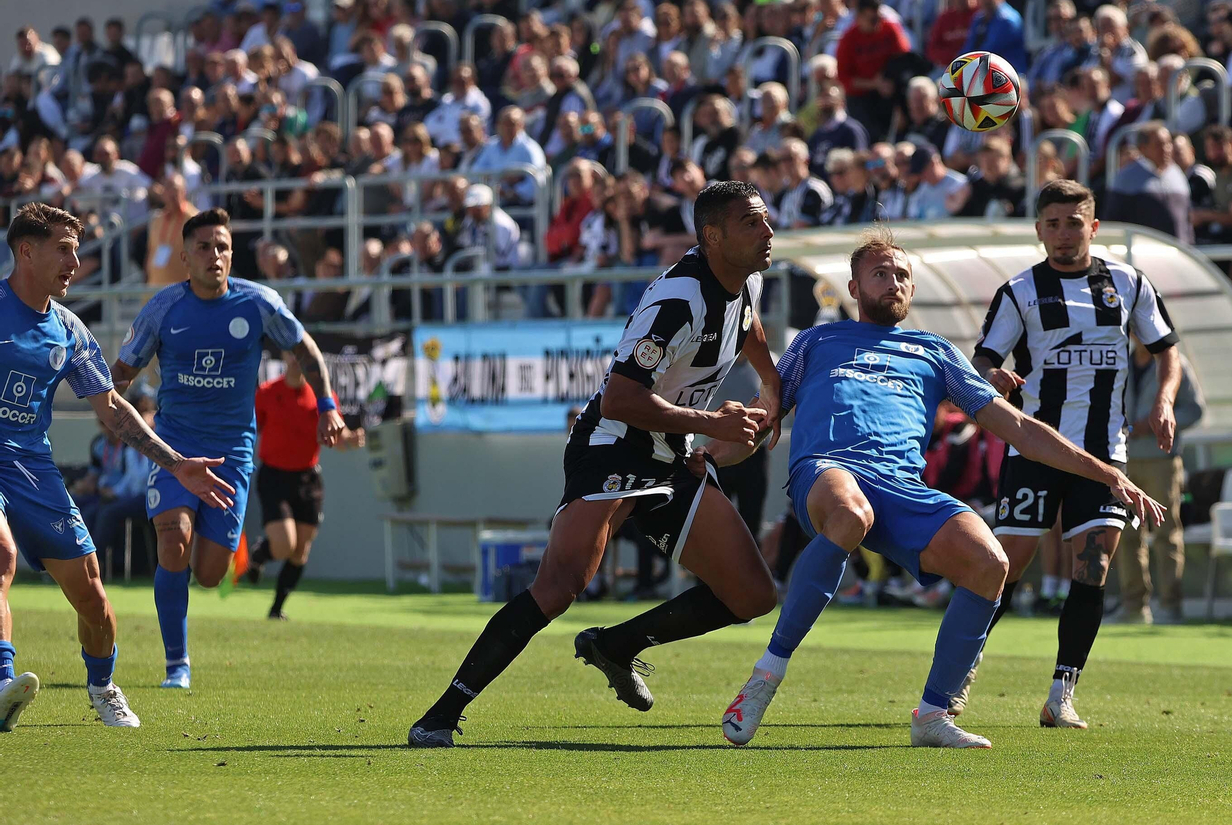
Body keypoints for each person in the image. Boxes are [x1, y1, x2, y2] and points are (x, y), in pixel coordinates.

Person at [717, 226, 1163, 749]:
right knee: (851, 515)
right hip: (827, 468)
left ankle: (931, 716)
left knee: (990, 564)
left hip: (904, 488)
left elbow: (1019, 429)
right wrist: (719, 446)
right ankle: (765, 676)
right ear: (855, 288)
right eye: (880, 274)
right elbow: (764, 415)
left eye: (902, 275)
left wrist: (1107, 472)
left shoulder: (935, 352)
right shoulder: (818, 341)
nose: (893, 282)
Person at [408, 181, 783, 748]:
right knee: (558, 587)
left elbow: (749, 329)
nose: (768, 230)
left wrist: (771, 388)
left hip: (671, 454)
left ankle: (615, 646)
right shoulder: (677, 300)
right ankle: (440, 715)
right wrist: (714, 424)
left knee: (753, 595)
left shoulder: (744, 282)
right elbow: (620, 399)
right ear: (712, 236)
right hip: (614, 447)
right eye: (751, 222)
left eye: (765, 219)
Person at [0, 204, 233, 731]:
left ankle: (103, 686)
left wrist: (177, 465)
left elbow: (112, 408)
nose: (75, 261)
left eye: (77, 249)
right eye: (63, 248)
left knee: (93, 597)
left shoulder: (68, 329)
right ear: (26, 251)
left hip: (31, 465)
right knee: (1, 553)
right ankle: (1, 681)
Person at [962, 178, 1179, 728]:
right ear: (1039, 230)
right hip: (1036, 445)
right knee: (1004, 567)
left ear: (1093, 226)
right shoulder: (1020, 290)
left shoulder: (1128, 283)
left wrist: (1165, 400)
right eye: (1052, 224)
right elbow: (981, 360)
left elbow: (1166, 350)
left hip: (1107, 450)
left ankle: (1062, 693)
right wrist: (996, 378)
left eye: (1073, 223)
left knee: (1094, 565)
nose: (1063, 234)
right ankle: (959, 671)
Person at [110, 209, 344, 688]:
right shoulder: (163, 308)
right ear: (185, 257)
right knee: (173, 540)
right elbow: (118, 375)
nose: (215, 256)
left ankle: (197, 574)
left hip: (232, 451)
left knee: (213, 573)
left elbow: (306, 349)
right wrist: (129, 415)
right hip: (174, 444)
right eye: (204, 247)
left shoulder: (259, 303)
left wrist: (327, 406)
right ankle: (177, 663)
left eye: (222, 247)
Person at [243, 355, 367, 619]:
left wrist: (350, 440)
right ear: (286, 358)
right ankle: (259, 553)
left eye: (305, 356)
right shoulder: (268, 392)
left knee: (301, 550)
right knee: (285, 544)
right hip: (274, 477)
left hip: (308, 479)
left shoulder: (323, 395)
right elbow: (251, 427)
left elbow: (338, 434)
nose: (298, 361)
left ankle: (276, 609)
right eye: (294, 354)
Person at [1115, 339, 1204, 625]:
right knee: (1127, 533)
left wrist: (1160, 420)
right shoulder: (1118, 363)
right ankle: (1134, 606)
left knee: (1166, 533)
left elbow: (1195, 410)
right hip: (1123, 461)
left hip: (1162, 461)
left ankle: (1170, 605)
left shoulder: (1174, 366)